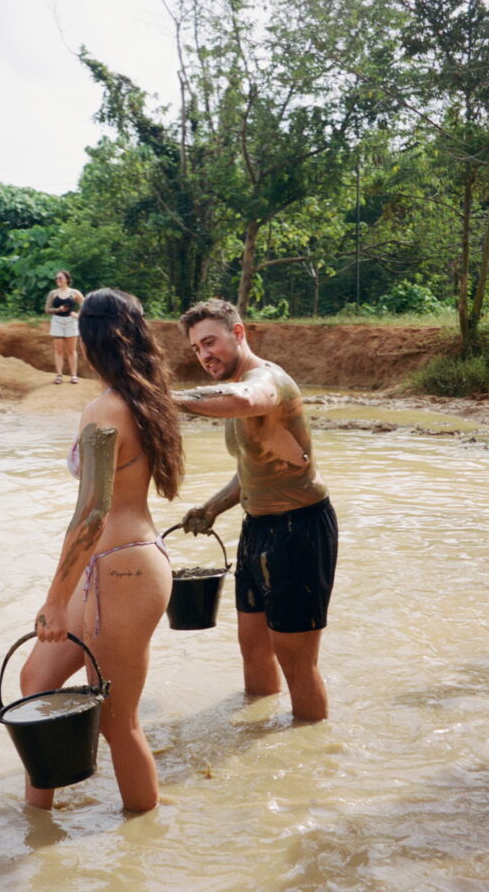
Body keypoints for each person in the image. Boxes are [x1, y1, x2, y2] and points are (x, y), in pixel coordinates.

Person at [20, 288, 184, 812]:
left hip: (121, 574)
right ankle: (35, 823)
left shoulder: (104, 410)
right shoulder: (145, 397)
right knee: (36, 681)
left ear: (88, 341)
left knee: (118, 724)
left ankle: (140, 838)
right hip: (121, 566)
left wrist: (52, 599)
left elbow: (91, 514)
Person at [173, 298, 338, 722]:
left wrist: (165, 400)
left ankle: (308, 751)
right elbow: (253, 467)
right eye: (196, 349)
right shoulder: (231, 386)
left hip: (301, 530)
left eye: (211, 342)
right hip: (258, 528)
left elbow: (248, 400)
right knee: (252, 645)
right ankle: (255, 742)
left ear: (239, 334)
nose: (205, 355)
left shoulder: (266, 382)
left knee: (296, 660)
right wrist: (211, 508)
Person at [44, 270, 84, 384]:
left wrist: (78, 315)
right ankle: (59, 375)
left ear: (67, 279)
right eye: (56, 278)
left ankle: (74, 375)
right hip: (57, 321)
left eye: (60, 278)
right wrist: (58, 310)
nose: (58, 280)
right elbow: (47, 309)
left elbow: (85, 304)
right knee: (59, 350)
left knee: (71, 350)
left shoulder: (74, 293)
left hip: (71, 322)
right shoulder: (53, 293)